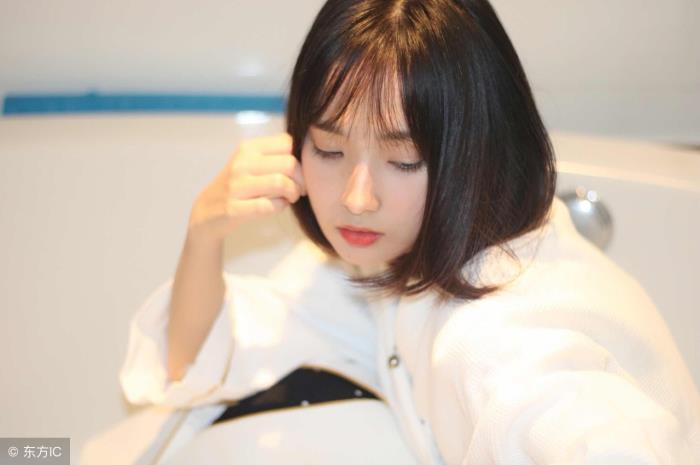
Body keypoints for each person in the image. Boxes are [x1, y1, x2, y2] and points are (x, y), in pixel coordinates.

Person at [118, 0, 700, 464]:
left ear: (476, 149)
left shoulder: (499, 341)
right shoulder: (392, 254)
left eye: (403, 161)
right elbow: (192, 360)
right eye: (329, 150)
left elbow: (578, 424)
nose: (357, 198)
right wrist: (205, 233)